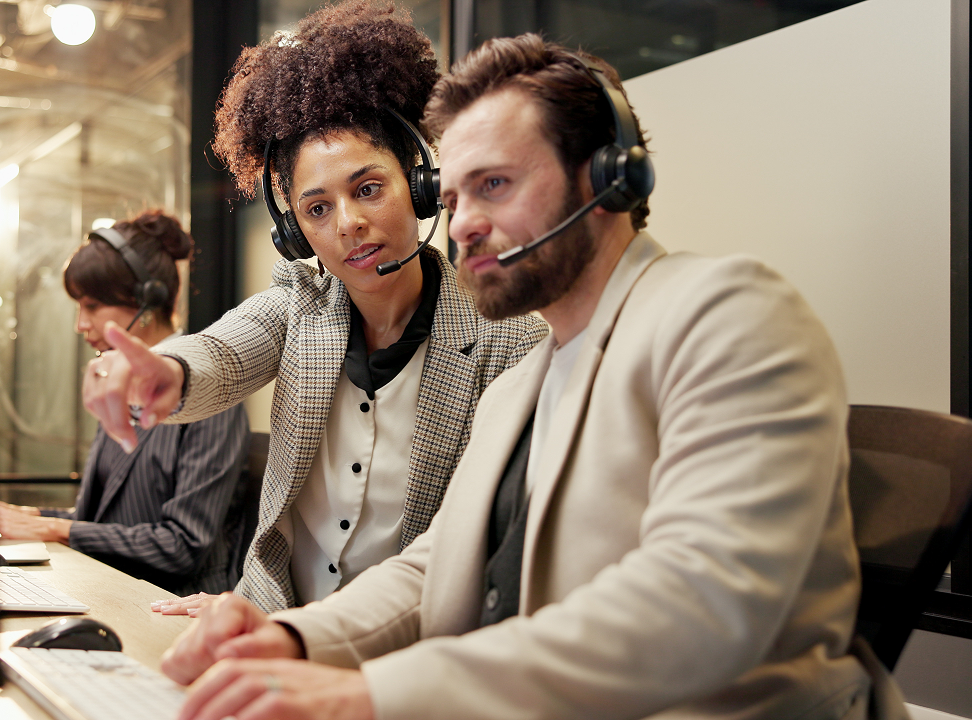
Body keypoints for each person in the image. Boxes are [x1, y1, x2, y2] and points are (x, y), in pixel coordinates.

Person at [158, 36, 909, 720]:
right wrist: (288, 637)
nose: (461, 226)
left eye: (495, 185)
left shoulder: (726, 312)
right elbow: (433, 569)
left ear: (606, 175)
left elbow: (704, 599)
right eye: (452, 199)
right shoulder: (526, 382)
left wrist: (372, 694)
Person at [84, 1, 548, 615]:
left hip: (407, 650)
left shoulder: (510, 340)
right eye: (317, 209)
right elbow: (220, 352)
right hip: (267, 616)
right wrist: (164, 371)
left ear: (418, 186)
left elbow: (484, 555)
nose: (349, 223)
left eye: (368, 189)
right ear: (296, 233)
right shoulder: (300, 307)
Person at [0, 210, 251, 596]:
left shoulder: (210, 398)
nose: (80, 324)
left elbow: (181, 546)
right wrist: (24, 516)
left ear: (146, 303)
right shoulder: (119, 387)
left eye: (92, 306)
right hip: (111, 588)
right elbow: (101, 522)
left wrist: (52, 527)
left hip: (171, 607)